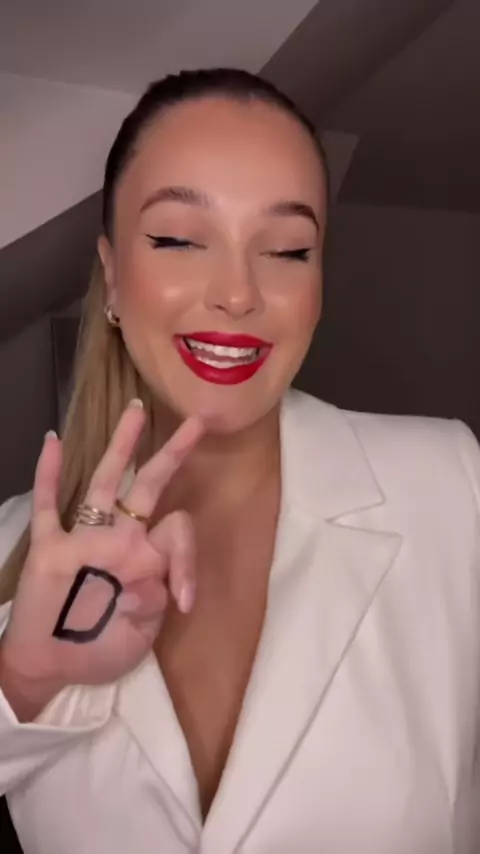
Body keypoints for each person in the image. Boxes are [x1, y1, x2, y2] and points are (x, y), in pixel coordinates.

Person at [0, 67, 478, 854]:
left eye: (287, 249)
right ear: (112, 275)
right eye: (178, 239)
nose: (237, 293)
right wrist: (22, 682)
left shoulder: (451, 486)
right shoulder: (15, 547)